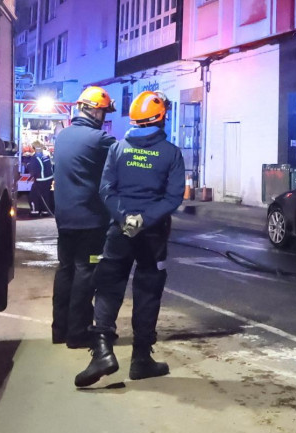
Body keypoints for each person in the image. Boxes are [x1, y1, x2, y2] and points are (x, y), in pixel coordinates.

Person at [75, 91, 185, 388]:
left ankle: (102, 353)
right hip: (152, 236)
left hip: (119, 231)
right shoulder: (171, 153)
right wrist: (144, 220)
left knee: (109, 287)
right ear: (161, 117)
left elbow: (106, 189)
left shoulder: (119, 148)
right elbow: (173, 197)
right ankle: (141, 360)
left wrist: (124, 217)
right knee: (148, 291)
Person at [51, 85, 117, 348]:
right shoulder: (100, 140)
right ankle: (78, 333)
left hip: (64, 219)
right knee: (86, 271)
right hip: (90, 221)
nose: (104, 118)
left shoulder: (63, 136)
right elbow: (124, 155)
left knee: (65, 270)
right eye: (103, 112)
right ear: (93, 111)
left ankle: (60, 330)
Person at [29, 141, 54, 217]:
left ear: (34, 148)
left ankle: (35, 212)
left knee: (33, 195)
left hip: (40, 180)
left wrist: (28, 166)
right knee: (46, 195)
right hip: (49, 179)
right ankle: (45, 211)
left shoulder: (35, 158)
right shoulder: (46, 156)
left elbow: (33, 169)